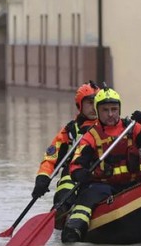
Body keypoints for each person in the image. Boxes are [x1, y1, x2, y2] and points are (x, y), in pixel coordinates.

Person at [61, 87, 141, 242]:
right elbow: (76, 166)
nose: (111, 114)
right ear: (98, 111)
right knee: (87, 198)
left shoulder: (132, 128)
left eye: (114, 109)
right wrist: (80, 174)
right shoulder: (91, 136)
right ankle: (73, 230)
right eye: (105, 110)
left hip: (133, 184)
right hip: (103, 186)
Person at [32, 81, 99, 229]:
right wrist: (42, 178)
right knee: (67, 181)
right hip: (74, 173)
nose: (94, 107)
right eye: (89, 103)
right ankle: (60, 212)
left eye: (96, 102)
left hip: (99, 173)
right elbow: (51, 157)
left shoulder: (108, 126)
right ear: (79, 105)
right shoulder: (70, 131)